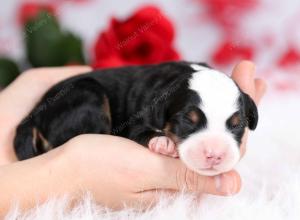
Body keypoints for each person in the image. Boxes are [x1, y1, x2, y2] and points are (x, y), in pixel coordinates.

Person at [0, 61, 266, 216]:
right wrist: (67, 174)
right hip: (76, 100)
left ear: (248, 116)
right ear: (164, 112)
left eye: (234, 126)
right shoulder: (159, 100)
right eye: (190, 123)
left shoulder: (208, 90)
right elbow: (138, 127)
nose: (215, 150)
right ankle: (50, 149)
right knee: (91, 103)